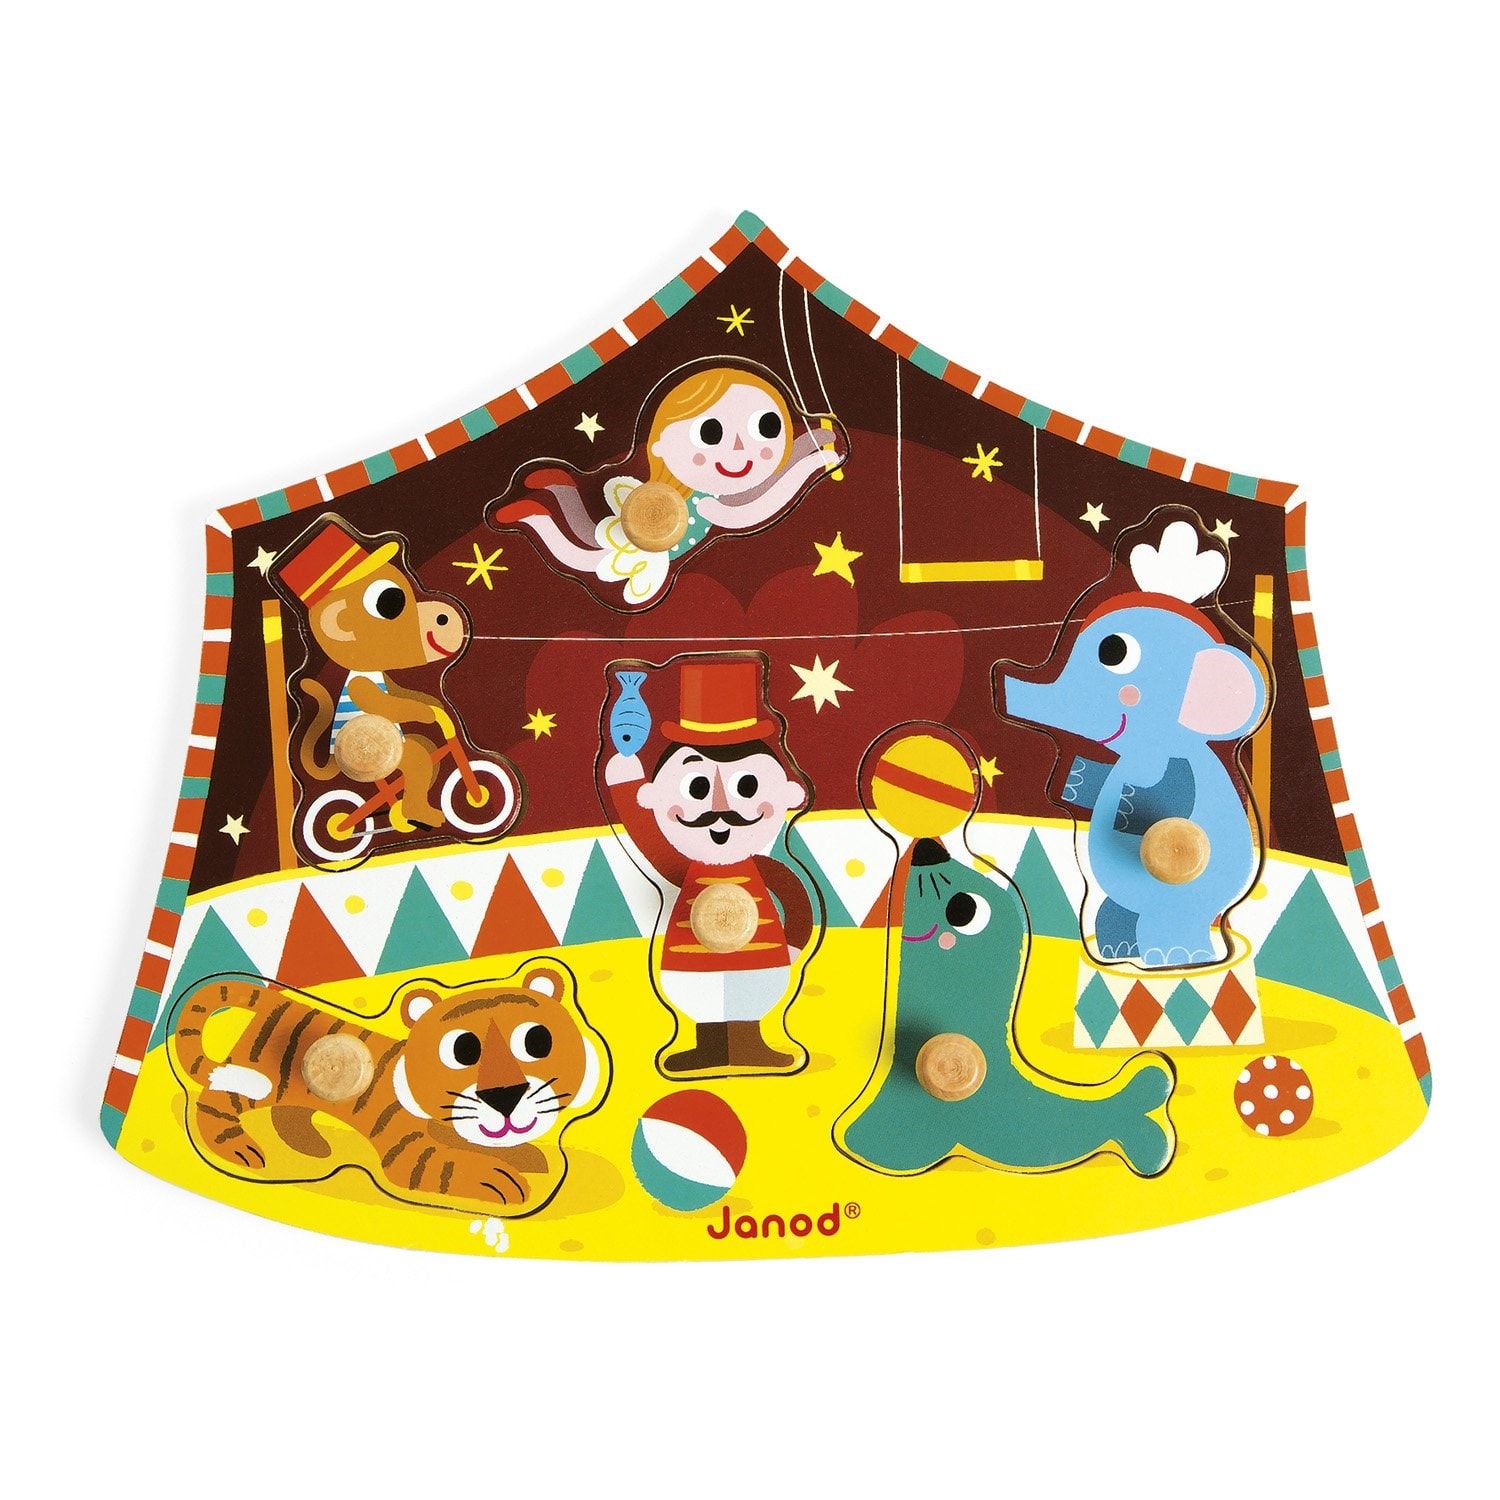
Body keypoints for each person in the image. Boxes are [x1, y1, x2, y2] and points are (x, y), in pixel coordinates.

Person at [603, 659, 815, 1071]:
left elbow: (793, 897)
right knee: (703, 1001)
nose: (719, 805)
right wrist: (626, 768)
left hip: (761, 961)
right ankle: (709, 1047)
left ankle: (752, 1046)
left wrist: (790, 945)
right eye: (697, 786)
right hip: (693, 965)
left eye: (746, 785)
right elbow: (647, 835)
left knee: (752, 996)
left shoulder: (758, 868)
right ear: (657, 794)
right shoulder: (685, 868)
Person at [496, 366, 842, 604]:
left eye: (767, 427)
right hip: (645, 547)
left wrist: (810, 448)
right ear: (658, 446)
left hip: (645, 527)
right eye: (710, 433)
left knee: (588, 534)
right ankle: (545, 510)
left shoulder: (713, 494)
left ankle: (553, 497)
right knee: (584, 552)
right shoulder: (711, 504)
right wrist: (812, 462)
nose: (739, 448)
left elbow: (768, 485)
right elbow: (760, 505)